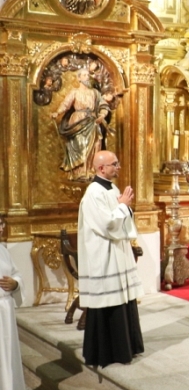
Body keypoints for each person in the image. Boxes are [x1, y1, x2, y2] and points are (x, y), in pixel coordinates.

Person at [78, 151, 144, 368]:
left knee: (123, 301)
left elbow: (121, 219)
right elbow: (106, 224)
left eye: (117, 162)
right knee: (107, 302)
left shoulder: (112, 188)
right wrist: (123, 205)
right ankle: (105, 352)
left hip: (118, 251)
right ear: (101, 168)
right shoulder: (93, 193)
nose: (118, 167)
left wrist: (125, 206)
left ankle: (126, 347)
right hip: (104, 255)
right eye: (114, 164)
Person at [51, 67, 110, 181]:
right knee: (80, 145)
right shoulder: (75, 92)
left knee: (96, 144)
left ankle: (92, 171)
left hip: (92, 121)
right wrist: (57, 113)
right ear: (78, 78)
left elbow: (104, 106)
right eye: (84, 75)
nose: (87, 77)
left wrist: (101, 116)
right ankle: (80, 172)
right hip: (78, 122)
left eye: (87, 75)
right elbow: (65, 104)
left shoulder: (95, 93)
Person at [0, 216, 29, 390]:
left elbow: (17, 274)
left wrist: (15, 284)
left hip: (5, 311)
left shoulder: (3, 250)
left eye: (2, 224)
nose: (2, 229)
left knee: (7, 360)